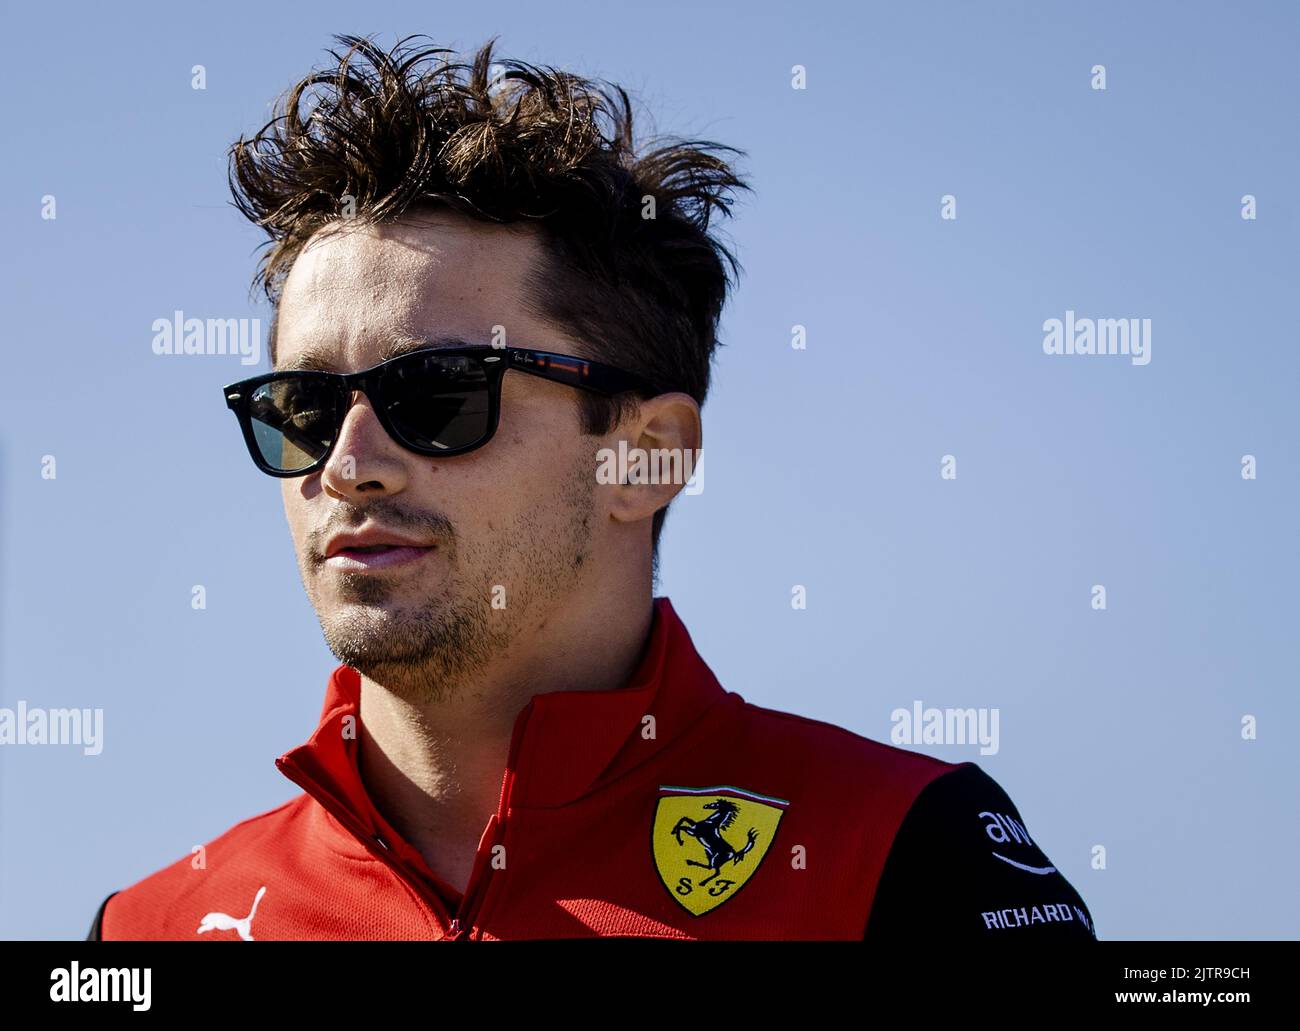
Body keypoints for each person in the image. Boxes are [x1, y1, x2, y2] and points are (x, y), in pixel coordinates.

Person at [88, 34, 1095, 941]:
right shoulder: (148, 928)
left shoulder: (898, 851)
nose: (349, 462)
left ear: (646, 454)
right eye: (302, 406)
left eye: (440, 393)